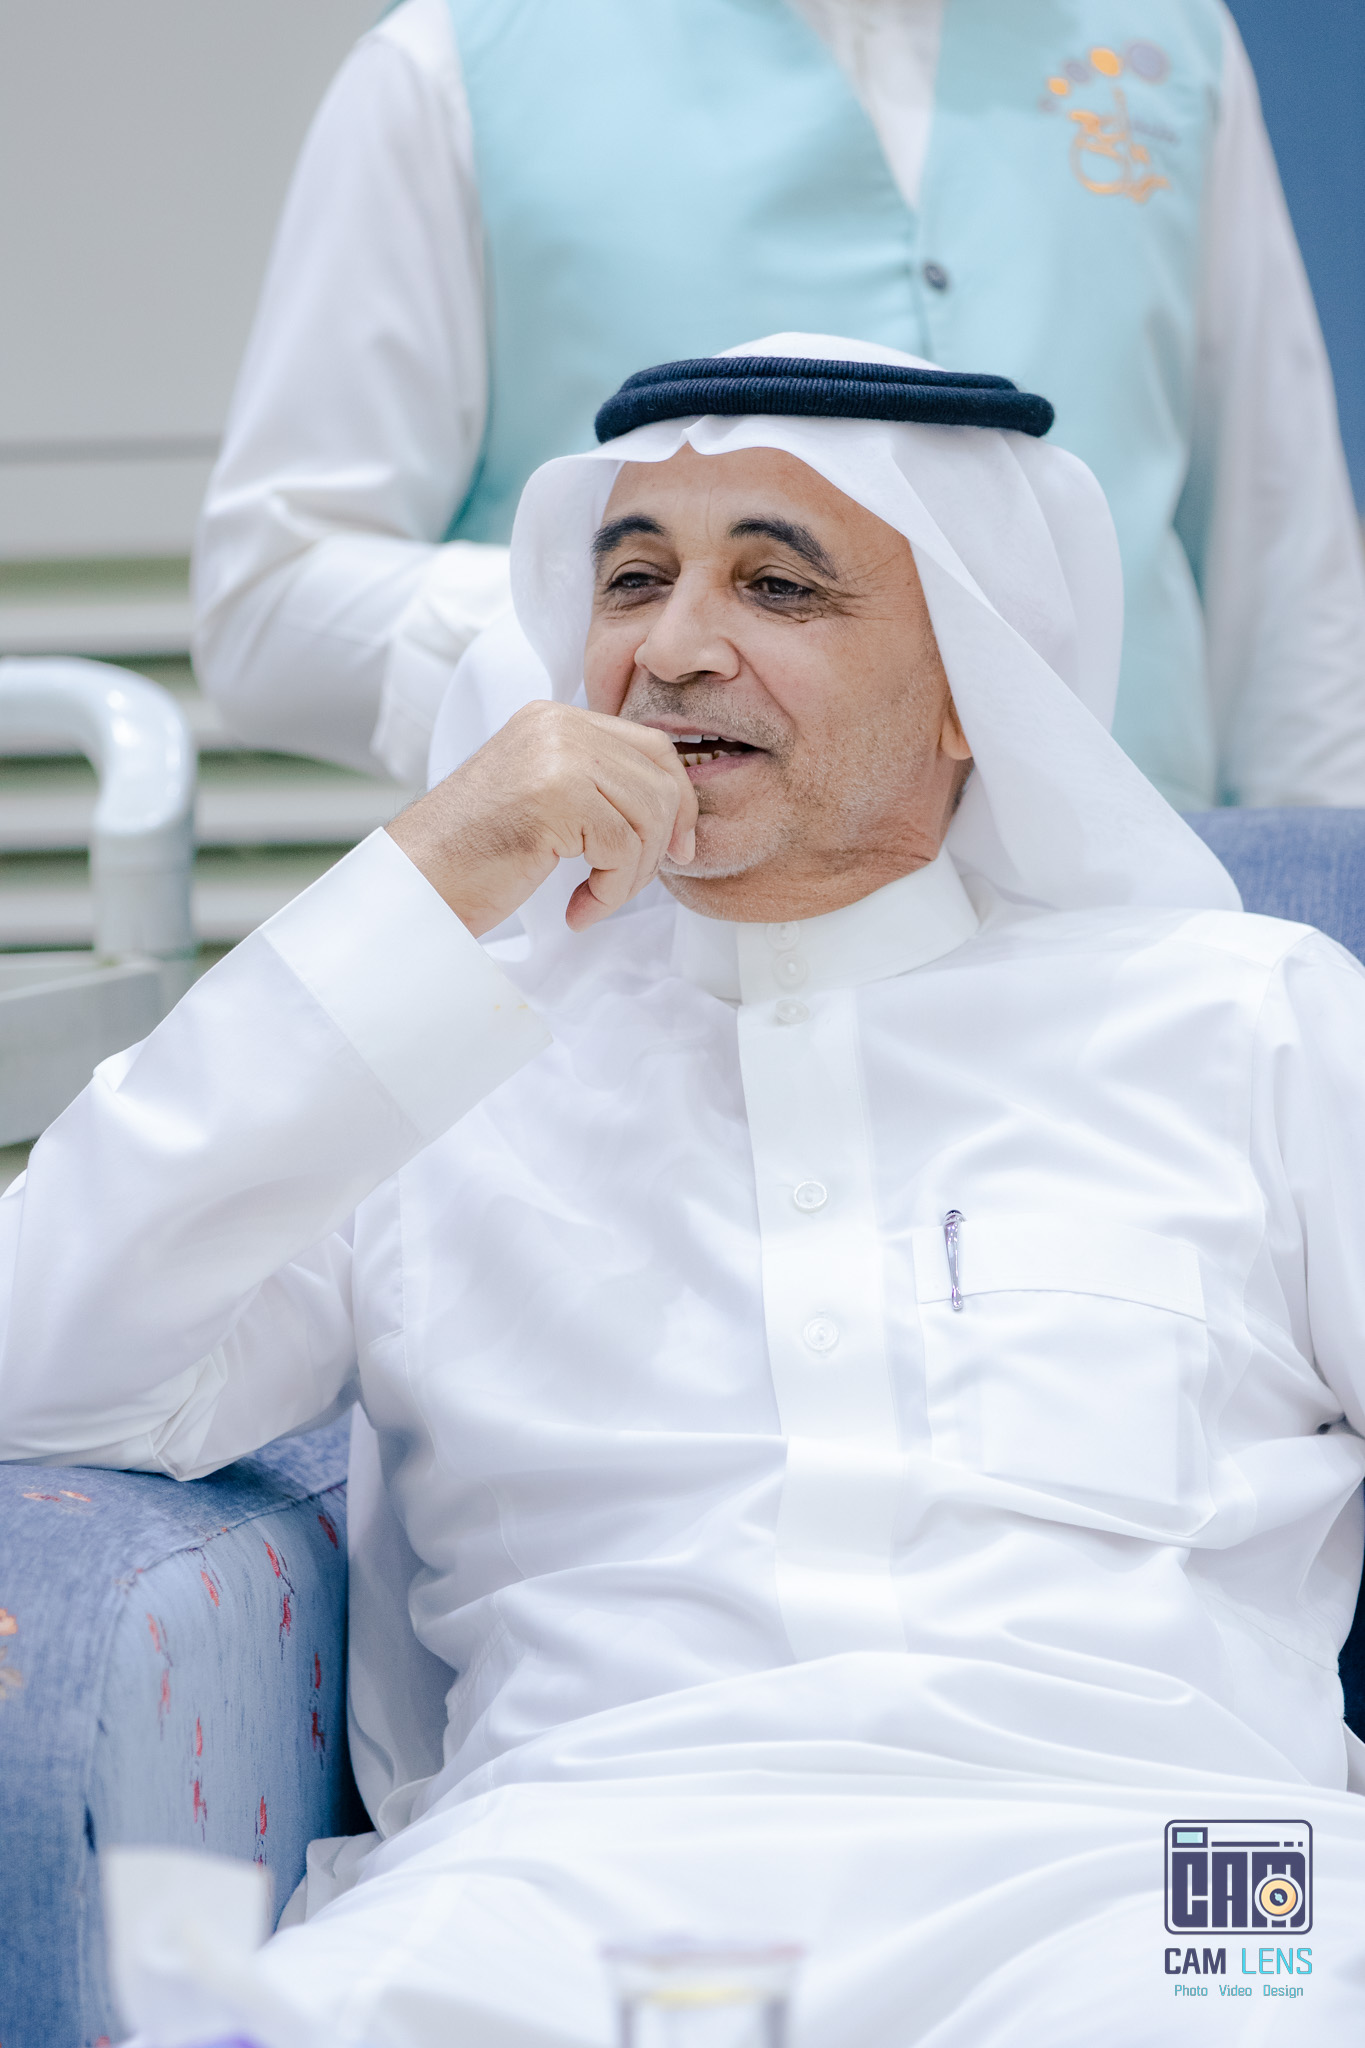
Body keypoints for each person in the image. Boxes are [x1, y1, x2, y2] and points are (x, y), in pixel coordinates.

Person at [6, 335, 1365, 2045]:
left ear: (978, 683)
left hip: (1166, 1877)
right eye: (633, 580)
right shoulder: (444, 1058)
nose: (669, 649)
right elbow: (41, 1366)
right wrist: (425, 886)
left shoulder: (1243, 1020)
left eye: (776, 585)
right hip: (562, 1880)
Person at [192, 0, 1365, 813]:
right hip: (664, 974)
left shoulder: (1170, 41)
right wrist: (649, 636)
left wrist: (1328, 904)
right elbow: (271, 593)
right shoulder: (454, 59)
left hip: (1125, 964)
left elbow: (1285, 560)